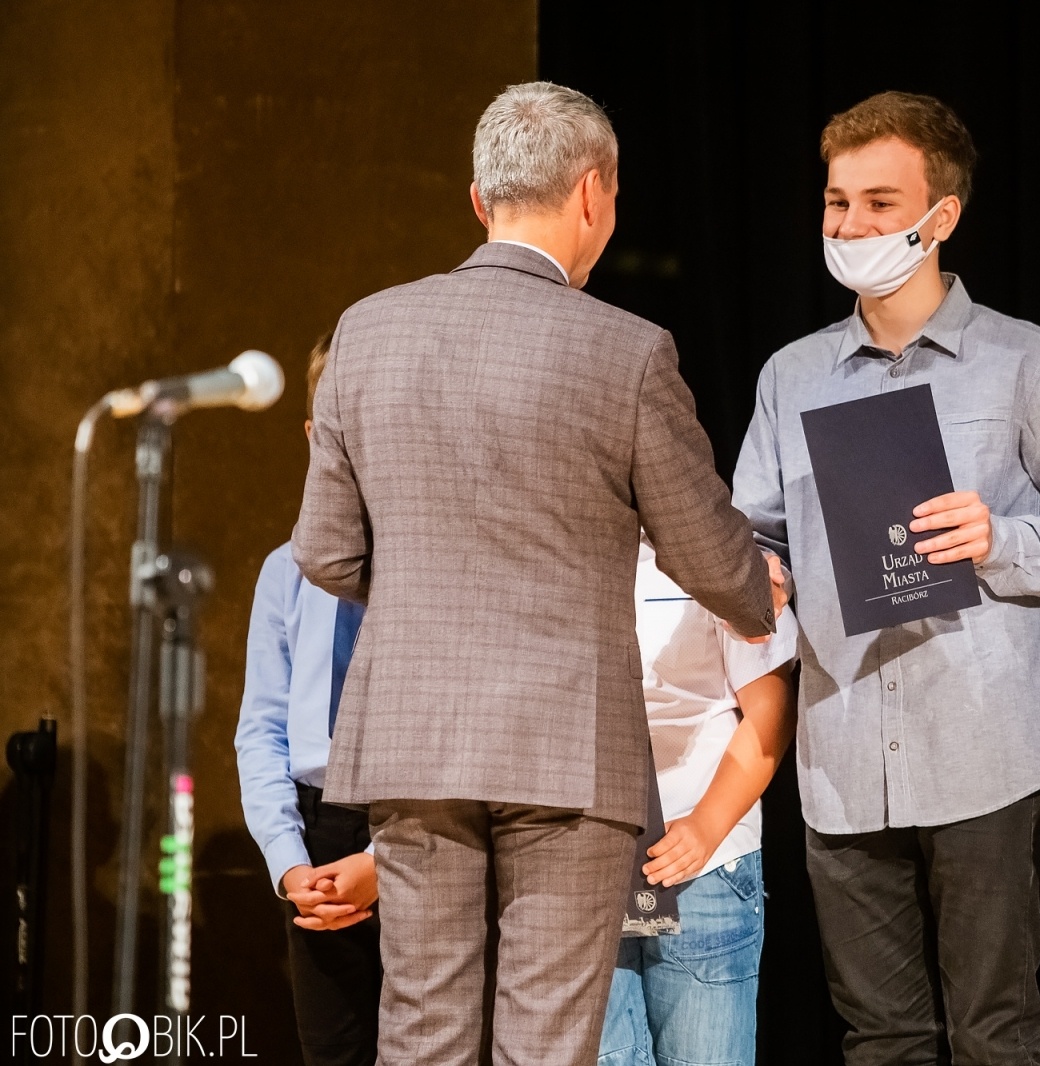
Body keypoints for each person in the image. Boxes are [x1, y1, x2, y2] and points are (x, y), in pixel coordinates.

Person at [292, 81, 786, 1066]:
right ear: (594, 193)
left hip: (416, 736)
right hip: (569, 746)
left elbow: (327, 552)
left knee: (421, 1029)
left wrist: (435, 594)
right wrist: (751, 586)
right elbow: (705, 554)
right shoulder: (626, 351)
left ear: (480, 199)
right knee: (548, 1039)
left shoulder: (366, 332)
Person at [733, 91, 1040, 1065]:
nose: (850, 226)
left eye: (880, 204)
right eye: (837, 203)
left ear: (940, 217)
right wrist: (760, 571)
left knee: (994, 1032)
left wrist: (999, 538)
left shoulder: (1024, 360)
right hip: (841, 749)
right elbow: (751, 531)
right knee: (879, 1038)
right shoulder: (791, 375)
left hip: (987, 742)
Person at [597, 532, 798, 1066]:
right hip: (582, 862)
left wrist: (707, 825)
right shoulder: (553, 547)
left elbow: (770, 708)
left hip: (704, 866)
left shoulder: (714, 550)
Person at [236, 333, 379, 1066]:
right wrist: (291, 866)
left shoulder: (428, 568)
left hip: (417, 826)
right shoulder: (284, 572)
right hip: (316, 830)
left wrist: (383, 861)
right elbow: (261, 729)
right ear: (312, 435)